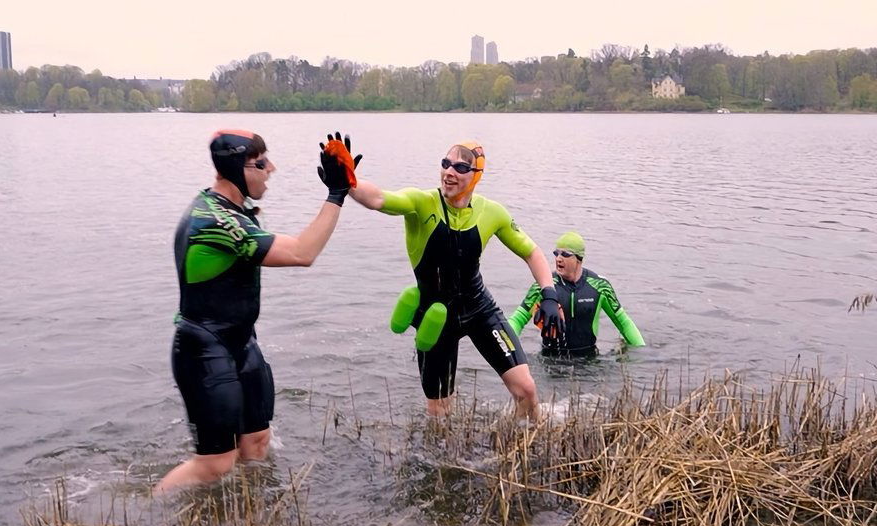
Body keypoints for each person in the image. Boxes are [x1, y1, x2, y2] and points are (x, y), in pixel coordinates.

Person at [156, 130, 360, 494]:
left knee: (256, 444)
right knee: (214, 465)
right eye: (261, 163)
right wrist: (336, 194)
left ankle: (247, 514)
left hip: (242, 343)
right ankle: (150, 509)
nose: (272, 169)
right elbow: (301, 253)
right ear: (237, 168)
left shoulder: (232, 208)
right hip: (204, 349)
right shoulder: (215, 221)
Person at [347, 141, 561, 418]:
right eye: (445, 164)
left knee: (526, 390)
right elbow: (378, 199)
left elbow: (531, 252)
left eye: (460, 167)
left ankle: (523, 437)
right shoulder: (421, 203)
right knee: (439, 412)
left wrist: (549, 294)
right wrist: (348, 182)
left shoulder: (491, 212)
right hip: (436, 317)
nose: (449, 172)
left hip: (479, 309)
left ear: (476, 175)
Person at [508, 231, 645, 357]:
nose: (558, 259)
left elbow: (624, 323)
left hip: (588, 360)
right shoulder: (544, 285)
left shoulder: (600, 286)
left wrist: (642, 354)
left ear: (579, 258)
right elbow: (518, 319)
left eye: (565, 254)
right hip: (551, 359)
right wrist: (506, 348)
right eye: (556, 253)